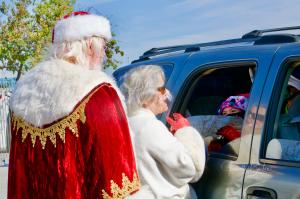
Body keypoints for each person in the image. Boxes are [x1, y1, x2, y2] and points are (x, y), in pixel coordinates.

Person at [8, 11, 149, 199]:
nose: (104, 55)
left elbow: (19, 178)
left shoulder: (23, 95)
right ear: (90, 46)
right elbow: (117, 183)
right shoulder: (99, 94)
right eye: (103, 47)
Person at [121, 65, 206, 199]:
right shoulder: (150, 126)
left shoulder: (126, 125)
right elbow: (188, 169)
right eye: (161, 89)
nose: (166, 93)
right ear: (145, 96)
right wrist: (185, 132)